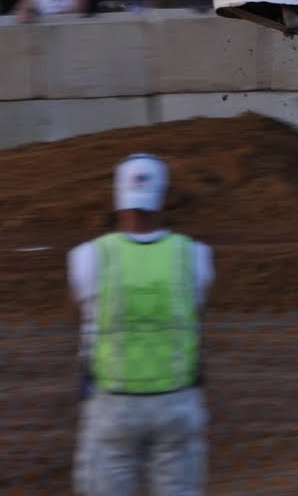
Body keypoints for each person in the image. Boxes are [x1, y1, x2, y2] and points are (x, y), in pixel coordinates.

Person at [68, 154, 213, 496]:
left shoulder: (89, 256)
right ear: (162, 197)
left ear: (117, 197)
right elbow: (196, 311)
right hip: (177, 399)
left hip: (113, 403)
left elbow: (77, 316)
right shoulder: (192, 254)